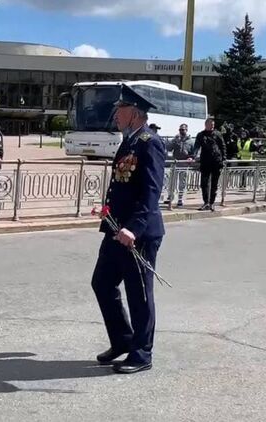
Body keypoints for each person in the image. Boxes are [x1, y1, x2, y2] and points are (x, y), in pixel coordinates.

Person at [91, 84, 165, 375]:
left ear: (134, 113)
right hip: (116, 229)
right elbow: (122, 184)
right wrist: (108, 212)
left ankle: (142, 353)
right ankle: (122, 339)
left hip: (138, 235)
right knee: (102, 283)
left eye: (119, 110)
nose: (115, 115)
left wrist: (134, 228)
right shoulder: (129, 141)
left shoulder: (149, 142)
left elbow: (151, 191)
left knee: (139, 294)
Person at [194, 118, 226, 212]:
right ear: (206, 125)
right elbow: (196, 147)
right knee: (204, 183)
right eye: (211, 124)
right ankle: (206, 202)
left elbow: (223, 146)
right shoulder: (201, 135)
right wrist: (193, 156)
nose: (212, 126)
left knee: (214, 184)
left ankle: (212, 203)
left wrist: (223, 159)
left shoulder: (217, 134)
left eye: (213, 125)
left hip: (216, 161)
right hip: (205, 161)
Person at [165, 123, 195, 207]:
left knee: (182, 182)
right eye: (180, 130)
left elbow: (194, 152)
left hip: (184, 163)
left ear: (186, 130)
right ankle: (170, 197)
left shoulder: (191, 141)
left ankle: (180, 199)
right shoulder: (176, 139)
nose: (181, 131)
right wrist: (174, 140)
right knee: (172, 181)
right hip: (175, 162)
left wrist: (191, 158)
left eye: (183, 130)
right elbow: (168, 148)